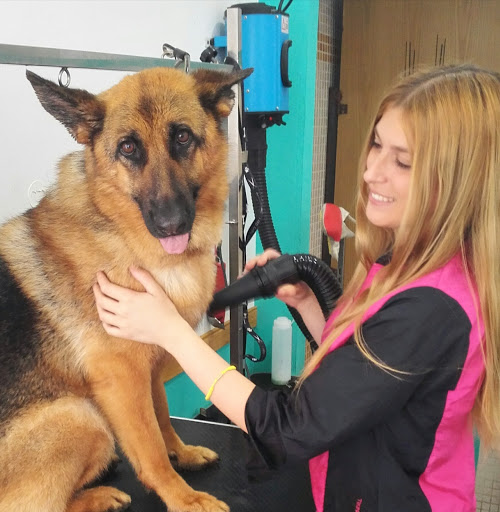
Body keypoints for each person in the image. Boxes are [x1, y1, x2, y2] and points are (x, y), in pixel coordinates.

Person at [93, 64, 500, 512]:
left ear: (459, 179)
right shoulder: (411, 261)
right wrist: (309, 302)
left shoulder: (433, 307)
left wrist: (173, 334)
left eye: (402, 162)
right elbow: (368, 374)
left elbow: (290, 430)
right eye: (377, 146)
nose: (371, 174)